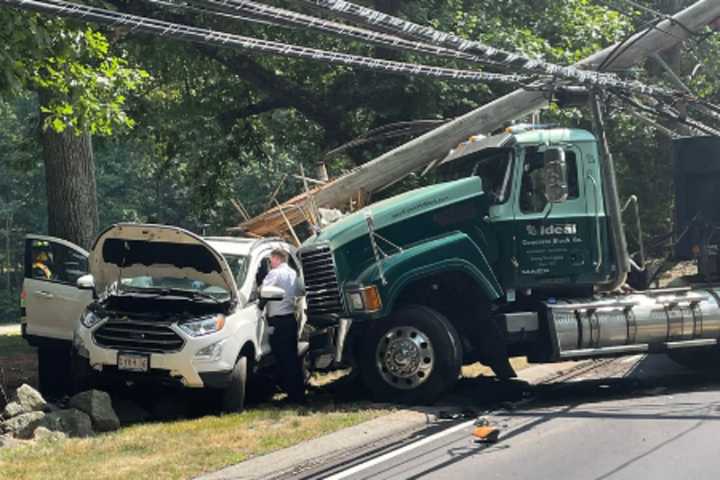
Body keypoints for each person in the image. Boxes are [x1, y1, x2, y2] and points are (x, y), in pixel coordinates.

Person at [261, 248, 305, 404]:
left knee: (283, 359)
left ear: (277, 258)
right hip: (290, 320)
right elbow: (300, 291)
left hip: (278, 322)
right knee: (292, 359)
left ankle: (293, 397)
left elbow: (263, 291)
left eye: (271, 259)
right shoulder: (293, 273)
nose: (270, 262)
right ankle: (298, 394)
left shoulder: (275, 273)